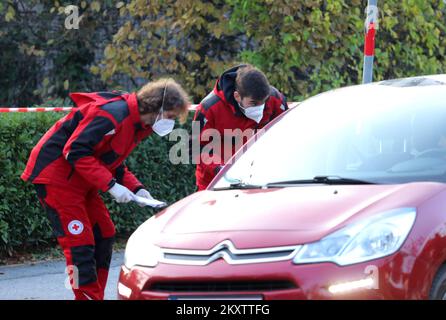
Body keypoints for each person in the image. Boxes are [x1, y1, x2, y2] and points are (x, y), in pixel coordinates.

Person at [21, 78, 190, 300]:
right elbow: (75, 151)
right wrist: (111, 186)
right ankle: (86, 297)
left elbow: (111, 160)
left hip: (80, 180)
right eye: (170, 116)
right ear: (155, 107)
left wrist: (137, 189)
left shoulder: (137, 124)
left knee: (104, 233)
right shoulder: (112, 114)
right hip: (56, 178)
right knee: (79, 246)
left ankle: (94, 295)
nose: (171, 122)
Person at [192, 64, 288, 191]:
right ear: (237, 96)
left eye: (264, 101)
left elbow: (287, 136)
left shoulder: (275, 99)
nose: (261, 107)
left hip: (260, 180)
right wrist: (221, 170)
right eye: (253, 103)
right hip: (216, 183)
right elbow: (198, 148)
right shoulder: (209, 108)